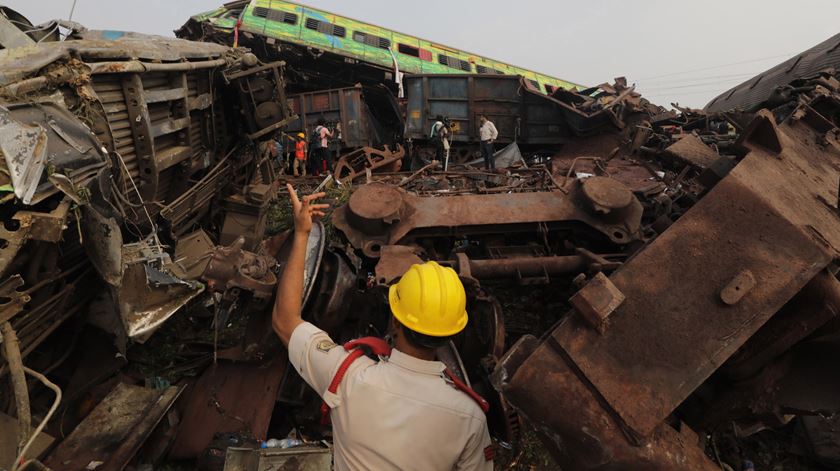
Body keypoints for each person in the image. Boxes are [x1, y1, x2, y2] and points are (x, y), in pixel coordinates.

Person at [272, 185, 494, 471]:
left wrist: (303, 232)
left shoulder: (346, 376)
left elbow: (285, 320)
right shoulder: (471, 418)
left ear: (396, 322)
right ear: (452, 332)